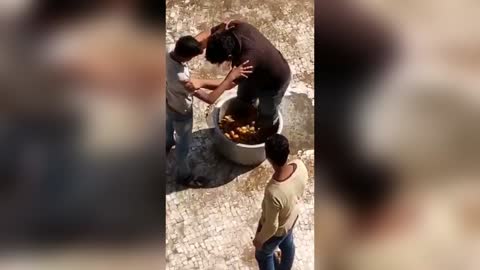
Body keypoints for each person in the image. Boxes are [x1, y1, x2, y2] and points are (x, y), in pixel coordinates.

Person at [166, 35, 252, 187]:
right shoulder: (182, 78)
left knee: (167, 126)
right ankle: (184, 176)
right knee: (182, 147)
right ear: (188, 57)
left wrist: (216, 31)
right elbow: (210, 98)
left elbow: (199, 38)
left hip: (167, 101)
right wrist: (229, 79)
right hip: (181, 111)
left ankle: (165, 144)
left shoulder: (168, 50)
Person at [201, 20, 291, 134]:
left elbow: (227, 85)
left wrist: (200, 83)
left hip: (274, 81)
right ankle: (247, 115)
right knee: (244, 98)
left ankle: (264, 132)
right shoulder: (237, 26)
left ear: (230, 56)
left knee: (267, 111)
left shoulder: (247, 61)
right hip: (255, 72)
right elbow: (217, 28)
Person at [253, 134, 308, 270]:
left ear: (268, 157)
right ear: (288, 151)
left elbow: (272, 226)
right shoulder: (299, 165)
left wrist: (259, 240)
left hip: (278, 230)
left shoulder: (273, 191)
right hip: (292, 217)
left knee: (264, 255)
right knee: (287, 243)